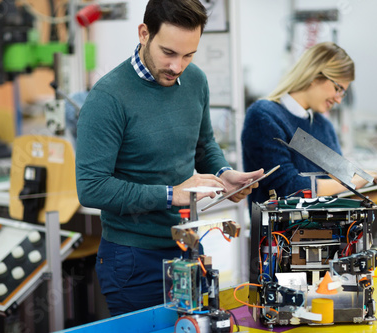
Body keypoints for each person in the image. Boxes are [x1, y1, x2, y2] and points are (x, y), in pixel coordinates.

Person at [75, 0, 264, 316]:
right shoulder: (108, 98)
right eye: (169, 53)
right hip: (133, 259)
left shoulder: (196, 81)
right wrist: (171, 195)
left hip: (188, 247)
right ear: (144, 33)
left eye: (188, 55)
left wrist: (223, 172)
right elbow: (92, 188)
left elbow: (203, 146)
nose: (178, 66)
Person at [241, 41, 377, 206]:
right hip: (281, 238)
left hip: (332, 238)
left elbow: (340, 198)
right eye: (338, 89)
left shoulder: (323, 126)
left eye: (342, 93)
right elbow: (289, 189)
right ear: (314, 75)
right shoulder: (264, 116)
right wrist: (349, 181)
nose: (338, 100)